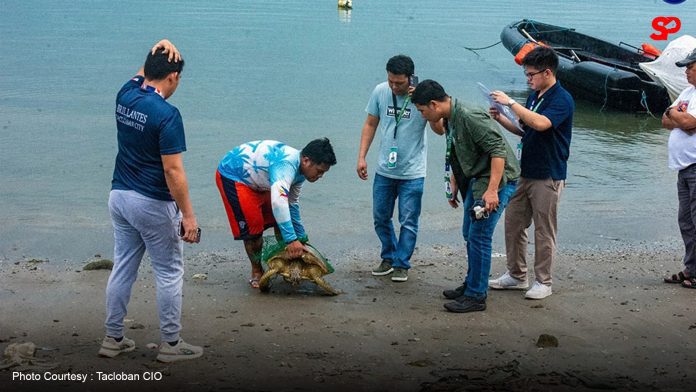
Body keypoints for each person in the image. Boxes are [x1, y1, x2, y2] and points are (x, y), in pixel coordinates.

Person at [101, 39, 203, 363]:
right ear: (173, 76)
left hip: (119, 197)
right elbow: (173, 172)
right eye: (179, 79)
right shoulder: (167, 115)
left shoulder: (126, 94)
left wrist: (156, 46)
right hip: (151, 202)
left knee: (123, 267)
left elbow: (142, 72)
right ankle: (171, 345)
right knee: (170, 271)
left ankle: (112, 338)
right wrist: (188, 216)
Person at [412, 80, 520, 312]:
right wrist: (454, 181)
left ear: (434, 104)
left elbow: (498, 151)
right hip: (475, 178)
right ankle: (472, 283)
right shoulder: (450, 116)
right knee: (468, 233)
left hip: (498, 179)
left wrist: (492, 191)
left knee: (479, 235)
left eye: (422, 111)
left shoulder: (470, 116)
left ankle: (476, 296)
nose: (422, 116)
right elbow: (457, 149)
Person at [487, 46, 574, 300]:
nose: (528, 79)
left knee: (544, 230)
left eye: (531, 75)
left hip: (549, 174)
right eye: (526, 75)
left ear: (547, 72)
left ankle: (544, 281)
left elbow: (542, 124)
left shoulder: (561, 98)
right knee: (513, 223)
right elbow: (527, 130)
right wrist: (502, 119)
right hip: (525, 171)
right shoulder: (534, 96)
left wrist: (510, 102)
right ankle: (516, 274)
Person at [356, 55, 444, 283]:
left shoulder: (423, 96)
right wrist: (361, 157)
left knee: (408, 219)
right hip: (385, 168)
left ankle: (402, 263)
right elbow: (370, 124)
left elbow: (439, 129)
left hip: (412, 171)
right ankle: (389, 256)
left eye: (399, 83)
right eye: (391, 82)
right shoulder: (380, 91)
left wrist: (423, 103)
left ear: (410, 78)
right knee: (380, 217)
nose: (394, 87)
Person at [216, 138, 337, 288]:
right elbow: (278, 203)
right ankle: (257, 270)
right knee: (253, 230)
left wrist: (300, 236)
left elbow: (292, 204)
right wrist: (292, 240)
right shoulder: (286, 166)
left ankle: (289, 262)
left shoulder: (301, 171)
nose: (320, 176)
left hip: (260, 180)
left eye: (323, 173)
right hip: (235, 176)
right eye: (319, 171)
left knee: (283, 222)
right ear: (306, 160)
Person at [662, 48, 696, 288]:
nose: (686, 72)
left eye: (690, 67)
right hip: (684, 168)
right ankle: (691, 268)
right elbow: (665, 121)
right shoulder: (687, 92)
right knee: (686, 221)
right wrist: (676, 115)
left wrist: (675, 114)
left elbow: (687, 122)